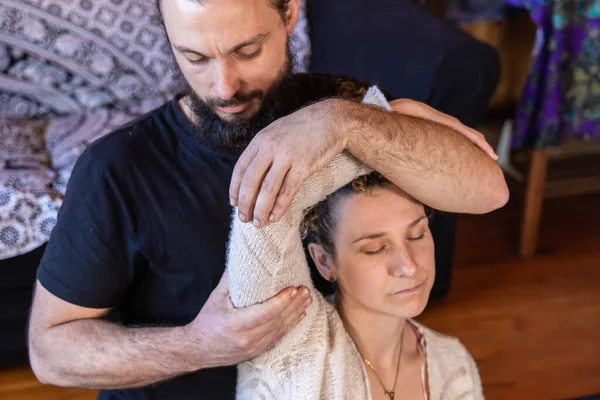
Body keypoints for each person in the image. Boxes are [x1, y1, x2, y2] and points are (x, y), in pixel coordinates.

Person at [27, 0, 508, 398]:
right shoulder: (119, 169)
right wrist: (198, 345)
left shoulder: (341, 107)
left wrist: (345, 122)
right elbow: (50, 353)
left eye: (247, 51)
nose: (224, 87)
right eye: (195, 58)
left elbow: (487, 190)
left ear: (290, 14)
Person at [227, 87, 483, 400]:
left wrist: (378, 129)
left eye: (417, 234)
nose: (409, 265)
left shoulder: (454, 365)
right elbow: (263, 215)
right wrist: (370, 120)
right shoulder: (290, 348)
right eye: (375, 248)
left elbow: (494, 192)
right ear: (324, 261)